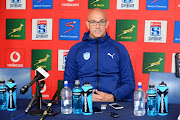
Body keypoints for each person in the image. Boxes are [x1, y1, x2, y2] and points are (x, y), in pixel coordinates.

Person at [64, 8, 135, 102]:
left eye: (101, 22)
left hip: (112, 103)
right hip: (83, 103)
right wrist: (84, 96)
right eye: (93, 22)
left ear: (107, 24)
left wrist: (112, 97)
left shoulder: (119, 49)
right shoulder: (76, 50)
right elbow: (68, 83)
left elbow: (129, 84)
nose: (98, 26)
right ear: (87, 24)